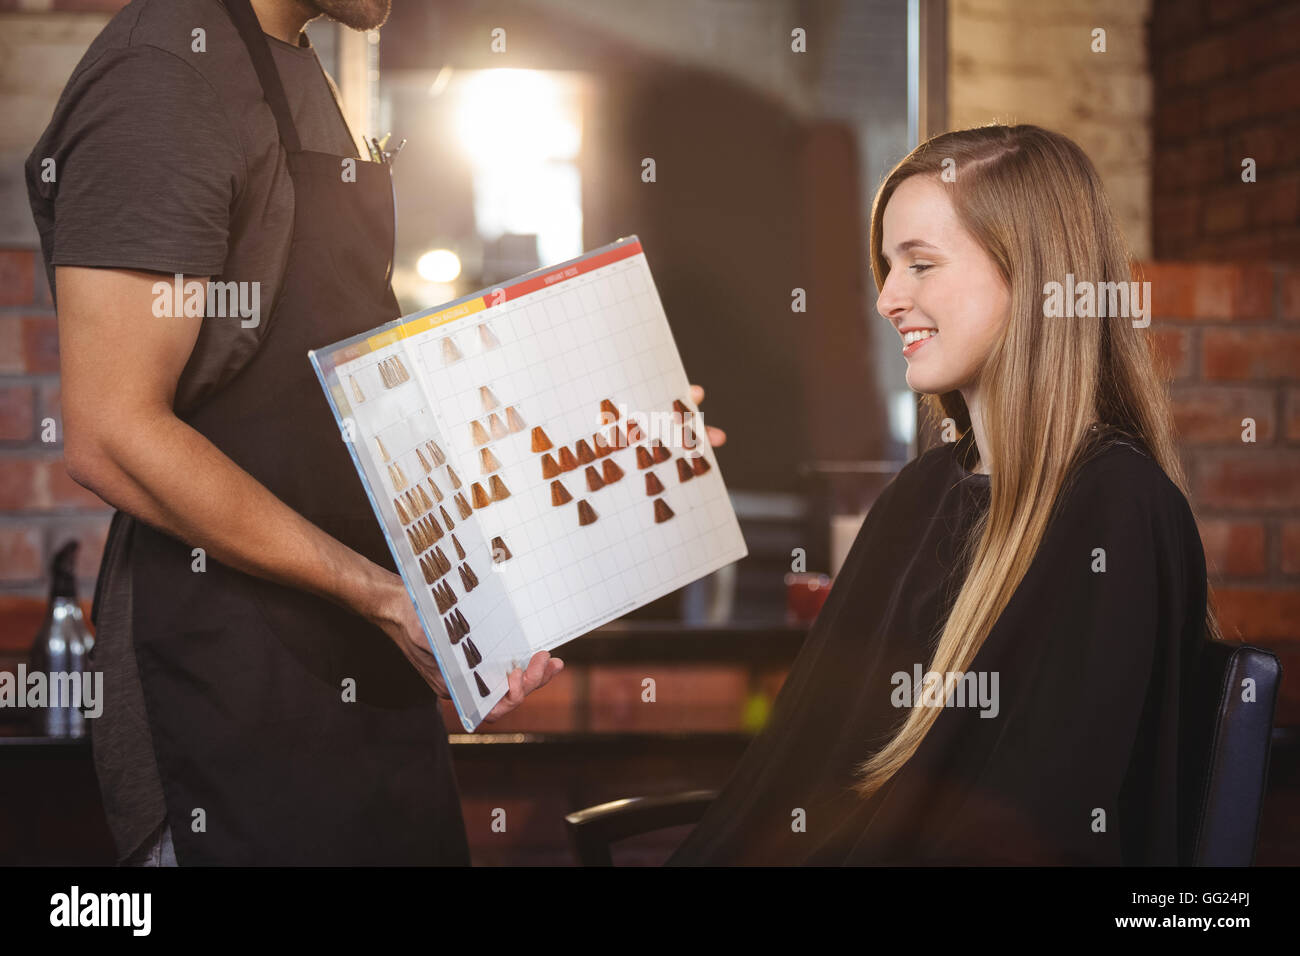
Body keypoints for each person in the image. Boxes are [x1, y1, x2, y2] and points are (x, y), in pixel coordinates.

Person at [23, 0, 583, 866]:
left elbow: (355, 398)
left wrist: (578, 431)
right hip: (231, 688)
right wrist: (379, 593)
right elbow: (111, 431)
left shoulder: (300, 66)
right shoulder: (163, 78)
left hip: (369, 681)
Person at [667, 124, 1219, 866]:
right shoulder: (921, 494)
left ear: (1032, 277)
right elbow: (801, 767)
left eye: (921, 264)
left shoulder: (1116, 510)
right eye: (889, 267)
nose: (890, 298)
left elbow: (1039, 823)